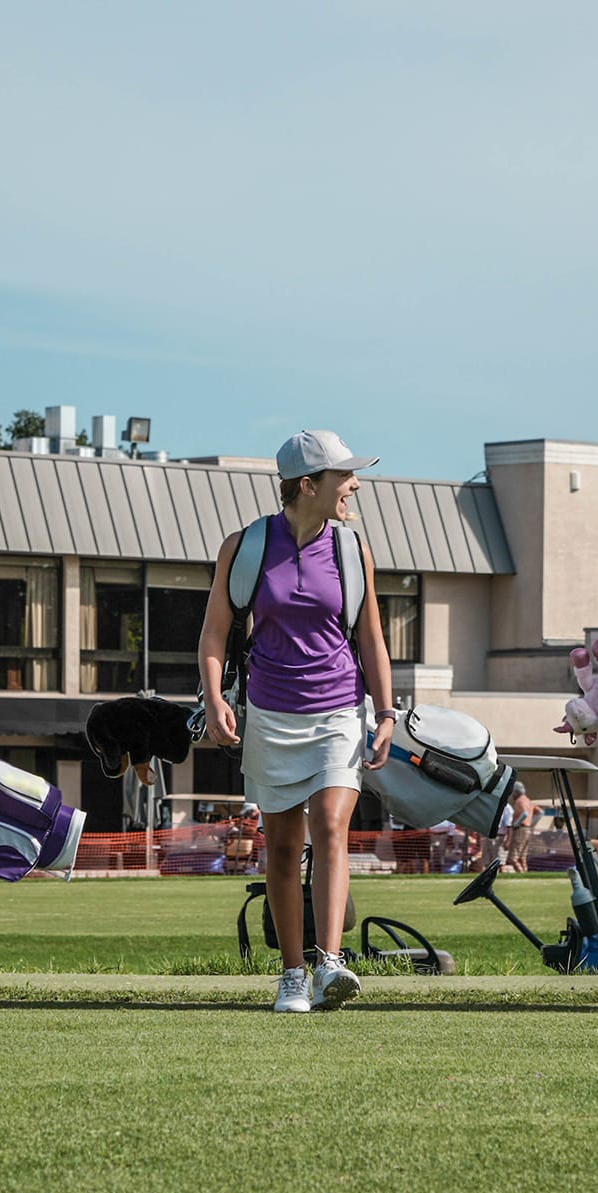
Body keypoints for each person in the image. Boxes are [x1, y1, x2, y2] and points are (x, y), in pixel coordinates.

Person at [199, 430, 395, 1013]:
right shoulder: (246, 546)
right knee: (283, 846)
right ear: (308, 485)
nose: (354, 485)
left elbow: (371, 638)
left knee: (332, 824)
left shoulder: (352, 548)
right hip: (270, 711)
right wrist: (213, 698)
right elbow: (214, 633)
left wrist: (385, 712)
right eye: (343, 477)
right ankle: (292, 974)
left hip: (338, 709)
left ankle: (330, 962)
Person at [501, 782, 539, 872]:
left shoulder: (520, 801)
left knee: (512, 858)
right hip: (528, 830)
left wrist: (516, 824)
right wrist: (530, 824)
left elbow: (525, 813)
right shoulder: (528, 800)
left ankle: (521, 874)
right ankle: (525, 873)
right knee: (522, 857)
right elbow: (540, 812)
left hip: (521, 830)